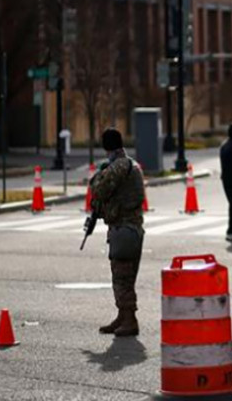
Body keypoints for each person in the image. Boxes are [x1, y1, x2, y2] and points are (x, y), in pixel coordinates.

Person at [91, 128, 146, 337]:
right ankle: (123, 317)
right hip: (133, 229)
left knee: (122, 279)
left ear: (106, 146)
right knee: (126, 278)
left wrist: (99, 174)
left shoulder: (117, 167)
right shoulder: (132, 164)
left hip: (123, 229)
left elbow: (98, 190)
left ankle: (129, 320)